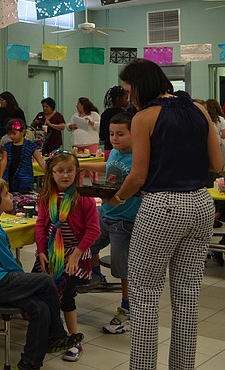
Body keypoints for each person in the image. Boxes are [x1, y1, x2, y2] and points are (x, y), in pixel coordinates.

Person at [114, 58, 221, 370]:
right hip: (201, 204)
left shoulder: (144, 117)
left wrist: (116, 198)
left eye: (128, 90)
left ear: (141, 86)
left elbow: (137, 176)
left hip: (163, 207)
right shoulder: (199, 109)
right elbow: (216, 164)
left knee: (144, 295)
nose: (128, 98)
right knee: (187, 296)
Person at [0, 177, 83, 370]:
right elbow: (9, 264)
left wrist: (28, 285)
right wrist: (29, 283)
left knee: (40, 308)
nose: (11, 196)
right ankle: (56, 335)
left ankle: (29, 364)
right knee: (45, 281)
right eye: (6, 194)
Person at [33, 153, 100, 362]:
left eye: (70, 171)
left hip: (75, 254)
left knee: (65, 294)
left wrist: (76, 254)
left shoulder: (84, 198)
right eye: (60, 171)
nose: (65, 175)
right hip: (52, 253)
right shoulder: (46, 196)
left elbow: (94, 230)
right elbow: (40, 226)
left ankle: (73, 339)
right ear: (51, 174)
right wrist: (41, 251)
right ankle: (49, 333)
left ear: (77, 173)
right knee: (37, 290)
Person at [84, 112, 137, 334]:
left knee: (123, 268)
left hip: (124, 221)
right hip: (105, 213)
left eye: (120, 134)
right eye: (112, 133)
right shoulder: (115, 151)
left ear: (134, 134)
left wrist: (119, 199)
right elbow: (108, 166)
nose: (115, 138)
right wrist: (83, 165)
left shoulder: (139, 158)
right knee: (86, 246)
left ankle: (128, 309)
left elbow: (137, 182)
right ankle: (96, 274)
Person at [0, 119, 46, 195]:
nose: (11, 136)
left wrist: (49, 173)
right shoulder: (7, 147)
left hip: (25, 180)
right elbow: (3, 162)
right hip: (10, 178)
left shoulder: (30, 145)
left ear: (23, 132)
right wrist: (1, 178)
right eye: (9, 134)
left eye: (14, 133)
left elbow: (40, 161)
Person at [100, 86, 129, 159]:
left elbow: (102, 136)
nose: (128, 100)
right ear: (118, 98)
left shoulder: (105, 114)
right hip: (123, 151)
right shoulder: (126, 115)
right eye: (125, 98)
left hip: (108, 150)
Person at [205, 99, 225, 169]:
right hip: (220, 145)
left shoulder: (205, 118)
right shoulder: (220, 119)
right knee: (219, 166)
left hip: (208, 145)